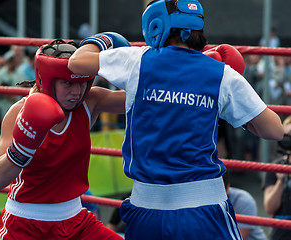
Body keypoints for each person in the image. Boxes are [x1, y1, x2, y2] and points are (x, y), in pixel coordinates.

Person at [68, 0, 284, 239]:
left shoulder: (138, 60)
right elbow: (274, 130)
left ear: (155, 25)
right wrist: (234, 110)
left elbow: (76, 62)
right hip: (204, 210)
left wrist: (102, 41)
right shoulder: (221, 74)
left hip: (146, 210)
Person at [0, 40, 127, 240]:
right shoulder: (19, 112)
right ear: (46, 78)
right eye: (68, 83)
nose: (77, 91)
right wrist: (21, 149)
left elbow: (145, 99)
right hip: (25, 226)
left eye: (82, 82)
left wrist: (123, 62)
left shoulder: (89, 102)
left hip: (76, 221)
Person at [262, 115, 291, 240]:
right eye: (287, 136)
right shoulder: (276, 166)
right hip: (281, 232)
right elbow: (269, 208)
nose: (288, 141)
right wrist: (281, 181)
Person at [223, 171, 268, 240]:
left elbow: (238, 238)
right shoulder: (204, 201)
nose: (213, 196)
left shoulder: (243, 200)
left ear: (227, 188)